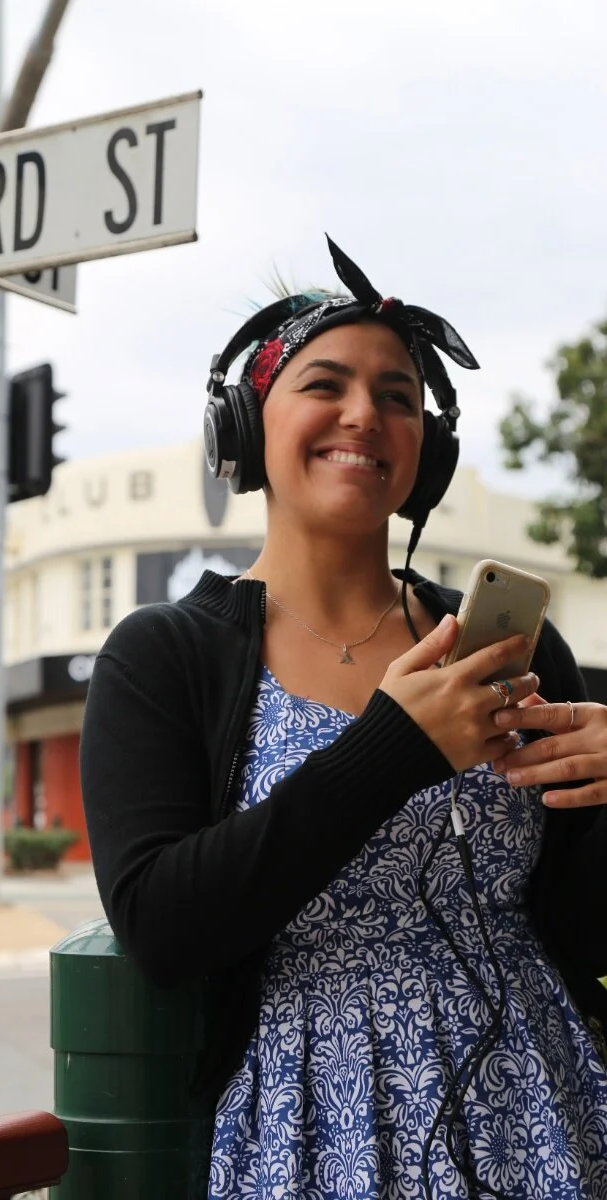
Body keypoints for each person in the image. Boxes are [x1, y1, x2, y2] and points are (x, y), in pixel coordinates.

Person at [80, 236, 607, 1199]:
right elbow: (160, 924)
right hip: (315, 1128)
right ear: (247, 427)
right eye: (326, 383)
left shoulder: (504, 648)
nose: (365, 414)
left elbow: (583, 919)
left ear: (429, 450)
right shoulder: (162, 654)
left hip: (545, 1111)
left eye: (399, 397)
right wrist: (394, 750)